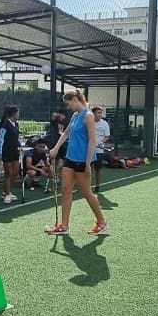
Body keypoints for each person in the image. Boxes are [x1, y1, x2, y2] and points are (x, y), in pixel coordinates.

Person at [45, 89, 109, 236]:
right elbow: (66, 133)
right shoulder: (75, 115)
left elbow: (92, 140)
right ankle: (64, 226)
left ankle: (102, 222)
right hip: (70, 159)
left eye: (68, 104)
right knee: (65, 189)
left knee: (86, 193)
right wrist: (55, 148)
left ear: (75, 99)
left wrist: (87, 164)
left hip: (82, 161)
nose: (68, 107)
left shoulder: (88, 116)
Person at [0, 105, 22, 203]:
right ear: (14, 113)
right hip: (6, 151)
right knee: (8, 173)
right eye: (18, 113)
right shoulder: (5, 124)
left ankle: (6, 191)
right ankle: (7, 194)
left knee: (15, 172)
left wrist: (19, 145)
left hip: (15, 151)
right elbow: (1, 138)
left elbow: (16, 137)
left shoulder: (16, 124)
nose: (19, 115)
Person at [90, 104, 112, 193]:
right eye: (98, 113)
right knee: (87, 169)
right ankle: (88, 186)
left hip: (99, 151)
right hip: (89, 150)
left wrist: (100, 142)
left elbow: (107, 136)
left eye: (101, 113)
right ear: (93, 113)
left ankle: (97, 186)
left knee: (98, 169)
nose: (100, 114)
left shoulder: (104, 124)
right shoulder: (89, 122)